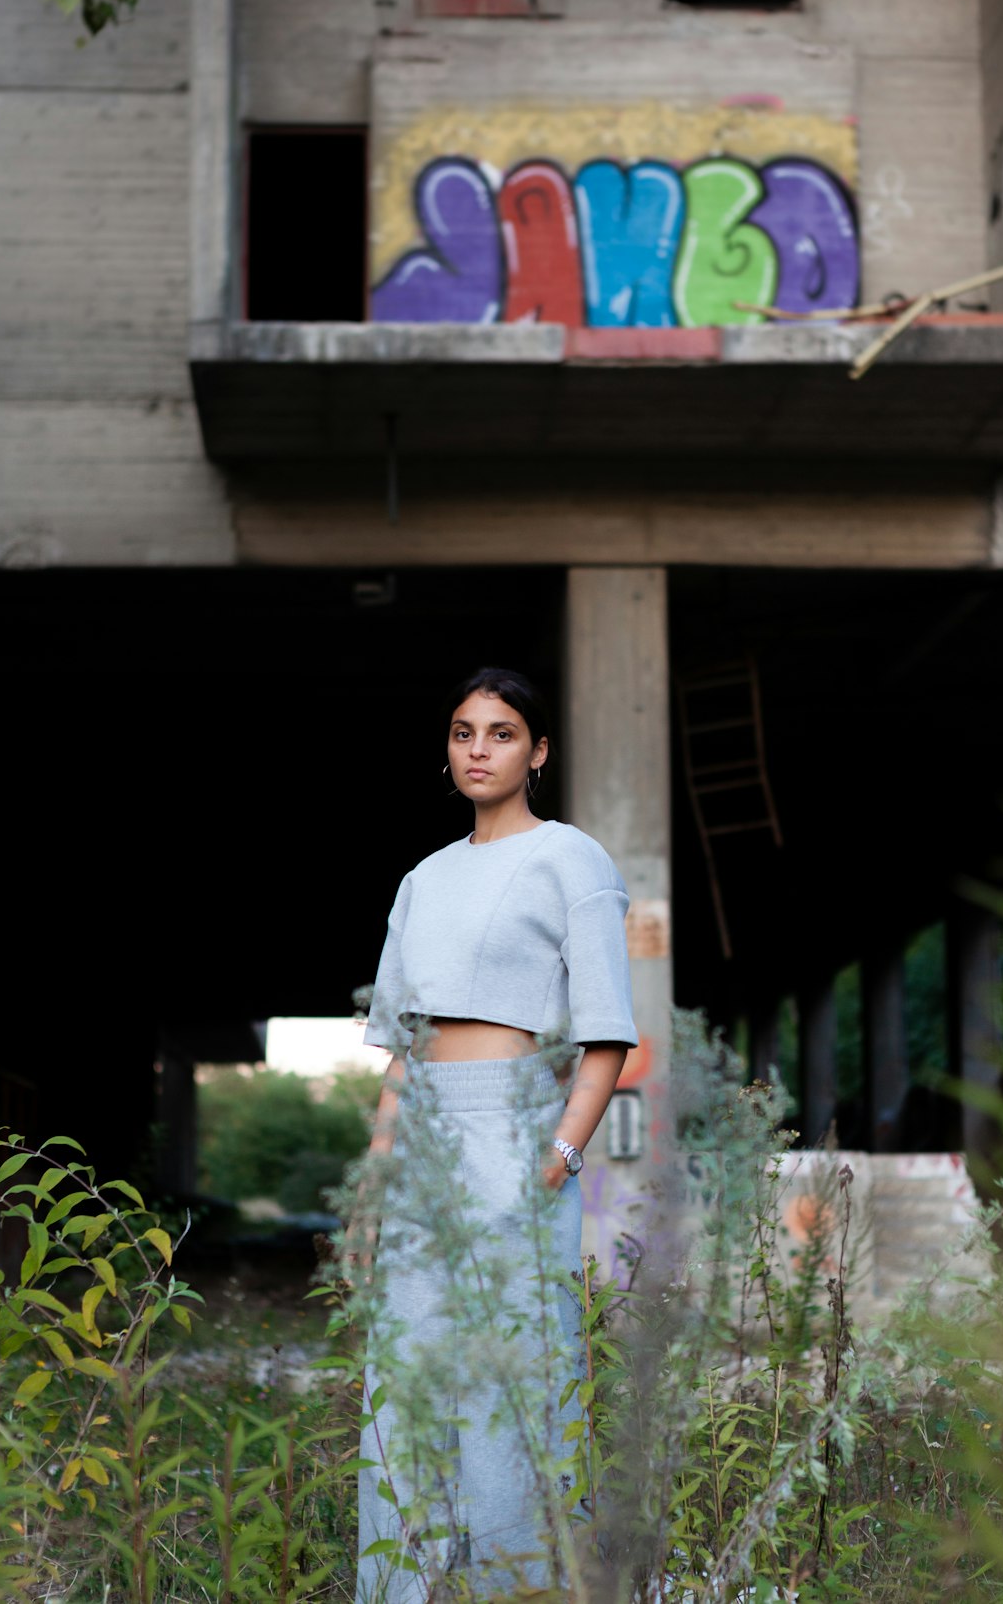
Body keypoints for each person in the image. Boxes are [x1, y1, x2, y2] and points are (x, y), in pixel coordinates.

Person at [350, 666, 638, 1604]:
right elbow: (402, 1048)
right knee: (406, 1378)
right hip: (424, 1128)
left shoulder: (572, 860)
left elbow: (605, 1034)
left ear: (539, 750)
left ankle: (526, 1586)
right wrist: (377, 1174)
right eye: (465, 732)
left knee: (518, 1378)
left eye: (503, 733)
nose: (480, 749)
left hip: (516, 1124)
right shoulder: (421, 879)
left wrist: (558, 1157)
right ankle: (401, 1589)